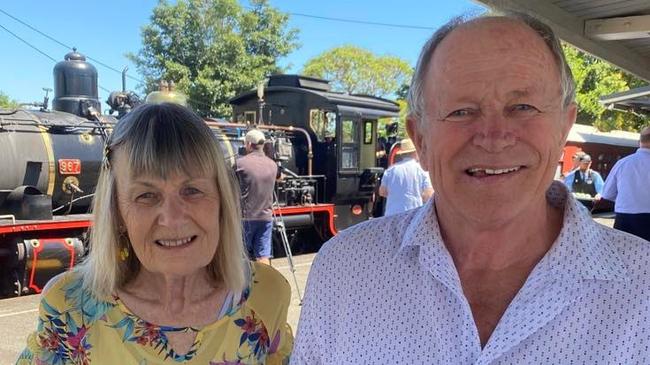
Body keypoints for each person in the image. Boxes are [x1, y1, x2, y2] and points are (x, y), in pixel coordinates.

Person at [292, 12, 650, 364]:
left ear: (563, 127)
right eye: (462, 111)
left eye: (522, 106)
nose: (493, 136)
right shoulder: (342, 270)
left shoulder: (643, 287)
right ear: (421, 139)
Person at [17, 103, 292, 364]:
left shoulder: (266, 295)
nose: (172, 219)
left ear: (222, 201)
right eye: (146, 195)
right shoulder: (69, 307)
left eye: (192, 190)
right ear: (117, 212)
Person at [236, 129, 279, 265]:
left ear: (249, 144)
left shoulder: (240, 164)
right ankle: (263, 284)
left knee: (242, 256)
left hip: (245, 217)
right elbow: (280, 177)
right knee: (263, 256)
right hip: (265, 217)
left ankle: (242, 285)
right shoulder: (273, 165)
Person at [601, 126, 650, 241]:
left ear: (639, 142)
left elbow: (607, 194)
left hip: (625, 219)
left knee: (622, 256)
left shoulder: (623, 163)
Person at [379, 138, 433, 216]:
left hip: (391, 215)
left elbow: (382, 192)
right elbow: (428, 195)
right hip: (413, 215)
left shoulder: (390, 171)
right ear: (415, 152)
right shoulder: (422, 170)